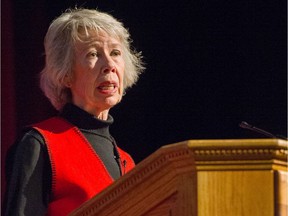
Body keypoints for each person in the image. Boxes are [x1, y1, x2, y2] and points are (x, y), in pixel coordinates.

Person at [4, 8, 145, 216]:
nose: (109, 65)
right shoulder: (40, 144)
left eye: (115, 53)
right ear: (66, 74)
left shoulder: (128, 163)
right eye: (93, 54)